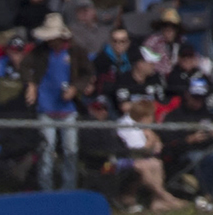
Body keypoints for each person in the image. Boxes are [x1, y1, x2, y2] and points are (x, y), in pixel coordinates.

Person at [21, 12, 92, 191]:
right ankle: (46, 189)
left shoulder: (76, 50)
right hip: (46, 107)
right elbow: (24, 65)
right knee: (46, 151)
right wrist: (31, 84)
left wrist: (75, 88)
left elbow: (87, 73)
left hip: (68, 109)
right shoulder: (40, 51)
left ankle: (69, 188)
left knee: (71, 151)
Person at [91, 24, 131, 99]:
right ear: (110, 42)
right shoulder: (101, 59)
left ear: (128, 42)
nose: (118, 44)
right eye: (115, 41)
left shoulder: (132, 56)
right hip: (107, 97)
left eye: (122, 41)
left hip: (126, 93)